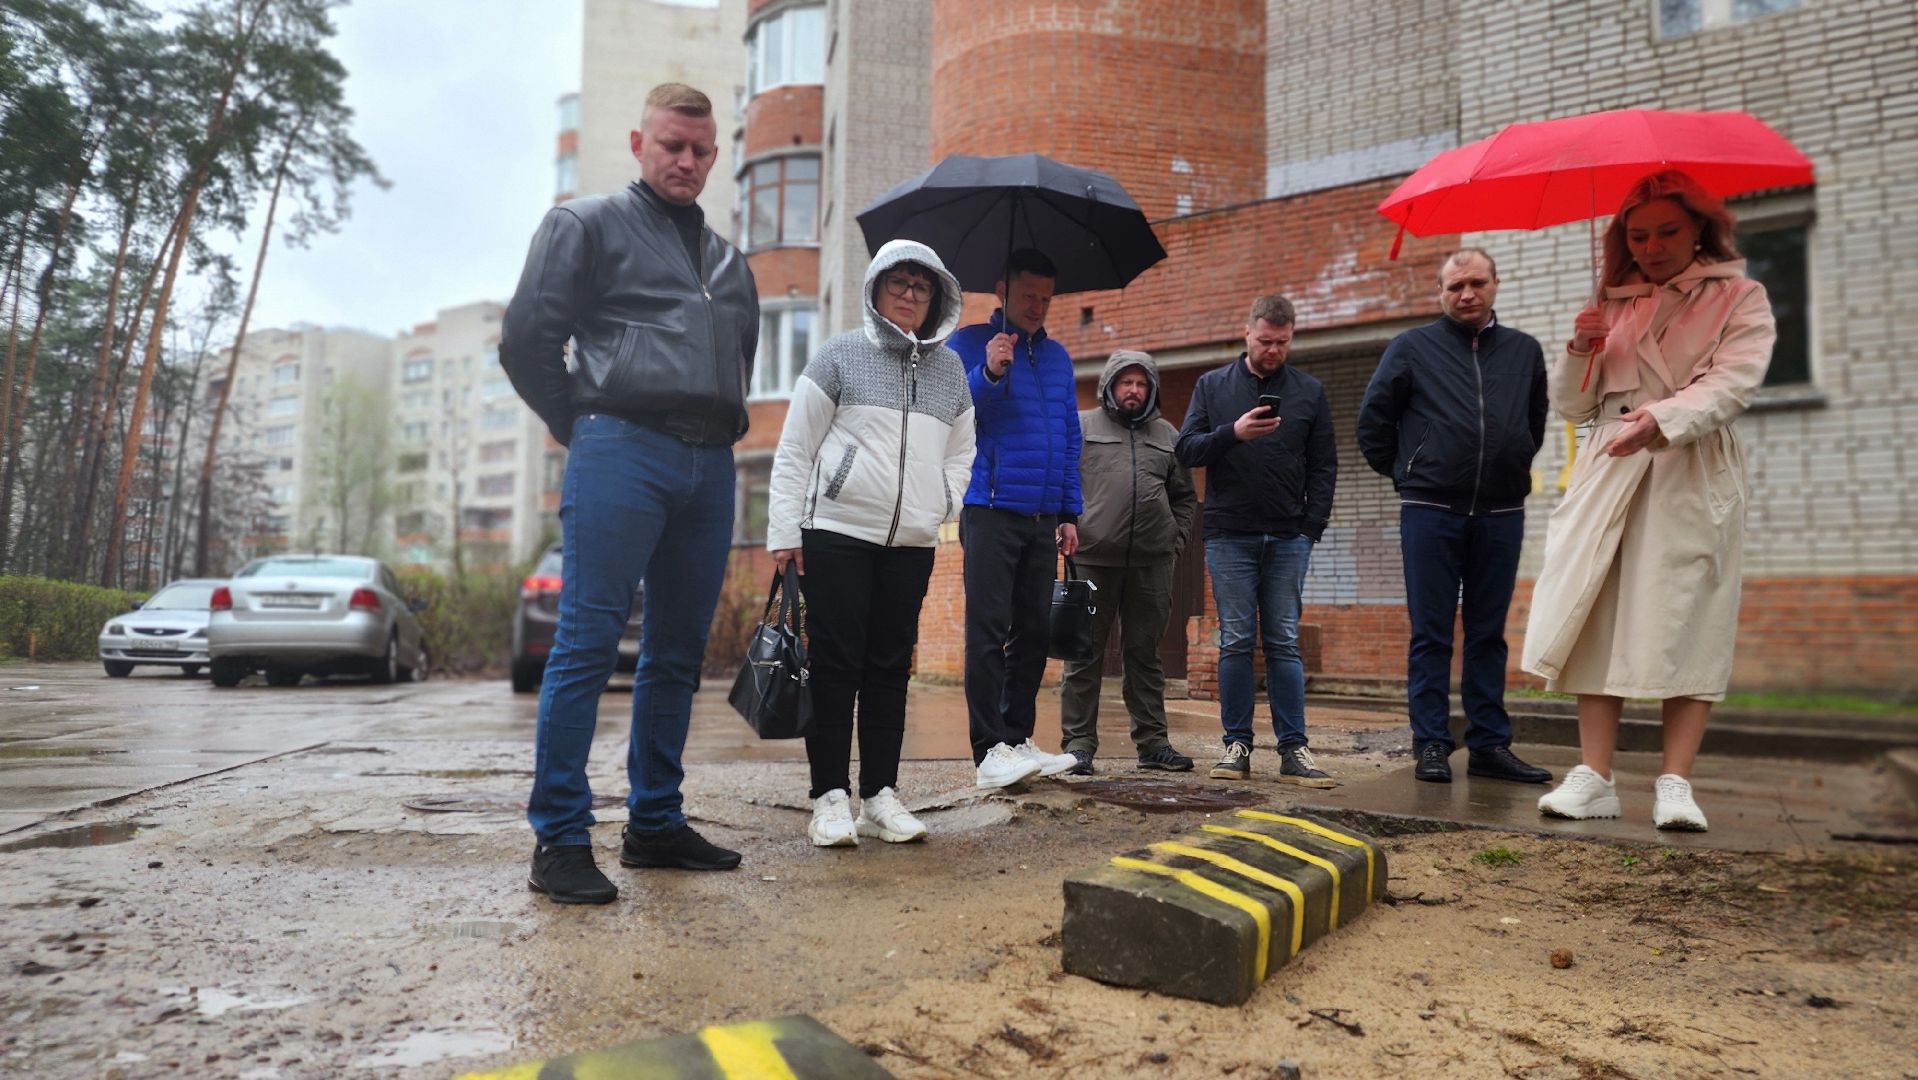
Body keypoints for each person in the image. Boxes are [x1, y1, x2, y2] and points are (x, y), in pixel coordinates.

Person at [501, 83, 758, 904]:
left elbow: (737, 357)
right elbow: (526, 340)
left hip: (710, 463)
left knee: (677, 656)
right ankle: (562, 837)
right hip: (621, 447)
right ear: (639, 143)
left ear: (715, 156)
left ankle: (654, 823)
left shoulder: (728, 262)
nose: (685, 160)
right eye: (670, 145)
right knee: (584, 644)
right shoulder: (585, 224)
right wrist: (584, 426)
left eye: (700, 149)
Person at [1523, 170, 1776, 832]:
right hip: (1609, 464)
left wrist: (1661, 421)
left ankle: (1675, 780)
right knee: (1593, 610)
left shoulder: (1740, 297)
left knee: (1688, 612)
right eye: (1638, 235)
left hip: (1687, 463)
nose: (1653, 246)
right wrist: (1581, 347)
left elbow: (1734, 383)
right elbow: (1575, 407)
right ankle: (1594, 776)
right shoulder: (1611, 303)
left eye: (1667, 231)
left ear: (1698, 228)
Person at [765, 240, 974, 847]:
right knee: (836, 666)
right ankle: (828, 796)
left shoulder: (950, 371)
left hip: (911, 541)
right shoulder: (840, 356)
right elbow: (795, 448)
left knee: (889, 669)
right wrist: (784, 532)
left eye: (923, 287)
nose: (911, 295)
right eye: (900, 283)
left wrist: (943, 502)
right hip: (837, 533)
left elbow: (963, 451)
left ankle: (880, 795)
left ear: (937, 298)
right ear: (877, 287)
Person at [1356, 249, 1553, 787]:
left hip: (1501, 511)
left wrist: (1509, 466)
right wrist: (1410, 472)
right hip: (1431, 510)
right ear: (1440, 293)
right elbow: (1373, 422)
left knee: (1489, 633)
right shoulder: (1411, 348)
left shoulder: (1524, 351)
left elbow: (1532, 424)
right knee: (1432, 633)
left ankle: (1490, 744)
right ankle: (1432, 744)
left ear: (1495, 284)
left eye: (1476, 283)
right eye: (1455, 286)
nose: (1466, 293)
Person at [1176, 295, 1338, 787]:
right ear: (1247, 333)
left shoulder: (1309, 392)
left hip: (1289, 536)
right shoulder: (1212, 386)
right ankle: (1236, 746)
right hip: (1229, 536)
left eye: (1282, 342)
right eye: (1265, 340)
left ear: (1292, 336)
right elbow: (1186, 448)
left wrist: (1311, 529)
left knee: (1284, 642)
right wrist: (1234, 432)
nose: (1273, 350)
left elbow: (1324, 466)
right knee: (1237, 641)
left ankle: (1294, 749)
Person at [947, 248, 1084, 789]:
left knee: (1033, 630)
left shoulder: (1058, 358)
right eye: (1029, 296)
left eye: (1047, 299)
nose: (1038, 307)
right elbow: (958, 413)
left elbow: (1069, 436)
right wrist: (989, 370)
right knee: (988, 631)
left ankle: (1017, 737)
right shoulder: (967, 344)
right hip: (990, 507)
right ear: (1002, 290)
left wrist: (1068, 510)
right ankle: (988, 751)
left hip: (1041, 513)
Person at [1058, 350, 1198, 776]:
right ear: (1109, 386)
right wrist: (1063, 524)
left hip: (1152, 563)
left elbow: (1184, 497)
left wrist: (1174, 541)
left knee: (1145, 655)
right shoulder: (1082, 427)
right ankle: (1078, 746)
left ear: (1151, 389)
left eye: (1141, 383)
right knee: (1084, 656)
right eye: (1126, 382)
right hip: (1092, 560)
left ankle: (1153, 745)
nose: (1133, 390)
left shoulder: (1168, 434)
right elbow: (1063, 482)